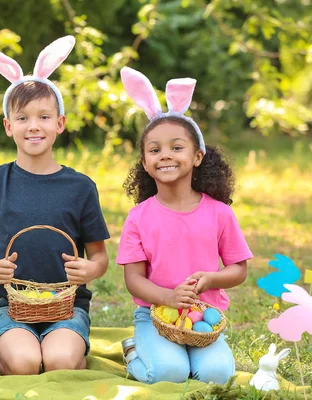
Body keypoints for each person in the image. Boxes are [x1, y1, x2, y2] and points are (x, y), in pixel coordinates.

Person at [0, 36, 110, 375]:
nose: (33, 126)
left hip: (67, 305)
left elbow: (99, 257)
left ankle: (71, 356)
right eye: (23, 118)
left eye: (44, 117)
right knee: (26, 363)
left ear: (59, 123)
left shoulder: (81, 188)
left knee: (59, 362)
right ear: (8, 126)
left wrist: (90, 270)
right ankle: (12, 357)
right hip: (9, 305)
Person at [116, 67, 253, 384]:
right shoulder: (139, 217)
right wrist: (167, 298)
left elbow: (239, 270)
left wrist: (211, 279)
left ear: (198, 156)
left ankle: (195, 355)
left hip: (203, 315)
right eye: (155, 150)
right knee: (168, 373)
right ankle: (136, 352)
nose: (165, 155)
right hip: (154, 316)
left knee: (218, 376)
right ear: (145, 161)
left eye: (177, 147)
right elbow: (134, 280)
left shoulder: (219, 213)